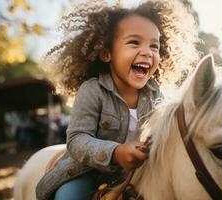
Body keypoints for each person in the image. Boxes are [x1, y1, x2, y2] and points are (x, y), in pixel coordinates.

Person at [36, 0, 198, 199]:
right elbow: (77, 140)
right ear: (106, 54)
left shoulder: (156, 95)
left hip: (136, 174)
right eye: (134, 42)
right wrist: (116, 152)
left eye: (154, 46)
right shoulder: (92, 90)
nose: (148, 52)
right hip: (86, 173)